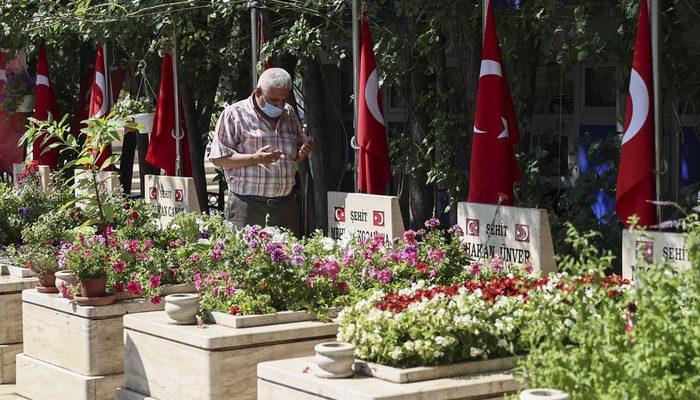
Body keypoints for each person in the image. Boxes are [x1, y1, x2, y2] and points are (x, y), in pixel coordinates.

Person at [208, 68, 313, 235]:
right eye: (273, 100)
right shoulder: (234, 114)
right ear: (258, 92)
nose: (279, 105)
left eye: (283, 99)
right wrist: (255, 158)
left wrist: (301, 153)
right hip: (248, 207)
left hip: (286, 207)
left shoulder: (289, 113)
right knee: (246, 259)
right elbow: (219, 158)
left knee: (289, 260)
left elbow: (291, 158)